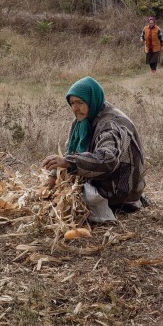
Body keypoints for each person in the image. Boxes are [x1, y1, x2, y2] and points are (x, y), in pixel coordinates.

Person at [40, 76, 146, 224]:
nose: (75, 108)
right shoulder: (85, 118)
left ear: (92, 99)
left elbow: (107, 159)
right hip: (105, 179)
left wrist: (68, 162)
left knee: (74, 201)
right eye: (72, 103)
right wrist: (53, 177)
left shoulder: (110, 125)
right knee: (61, 195)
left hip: (121, 189)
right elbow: (72, 151)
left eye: (80, 103)